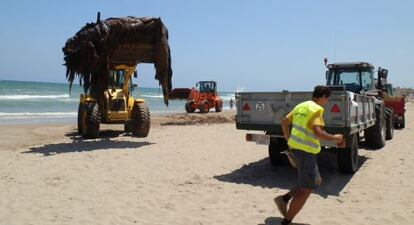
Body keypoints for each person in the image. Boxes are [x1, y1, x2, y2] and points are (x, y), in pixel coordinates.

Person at [274, 85, 344, 225]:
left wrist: (290, 142)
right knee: (306, 189)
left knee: (316, 181)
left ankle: (285, 199)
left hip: (299, 151)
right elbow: (318, 133)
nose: (326, 102)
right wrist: (336, 138)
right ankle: (286, 221)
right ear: (323, 97)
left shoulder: (301, 106)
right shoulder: (316, 109)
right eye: (327, 99)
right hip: (306, 153)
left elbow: (284, 123)